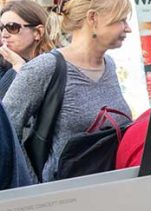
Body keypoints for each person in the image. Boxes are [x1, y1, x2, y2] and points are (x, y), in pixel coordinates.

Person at [2, 0, 132, 182]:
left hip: (114, 189)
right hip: (64, 199)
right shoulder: (46, 67)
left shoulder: (109, 64)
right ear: (93, 18)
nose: (128, 28)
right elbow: (6, 132)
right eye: (121, 20)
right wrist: (34, 187)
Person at [0, 1, 55, 99]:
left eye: (12, 27)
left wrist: (21, 68)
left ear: (38, 32)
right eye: (1, 28)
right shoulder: (3, 63)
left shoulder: (55, 65)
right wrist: (16, 66)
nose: (4, 34)